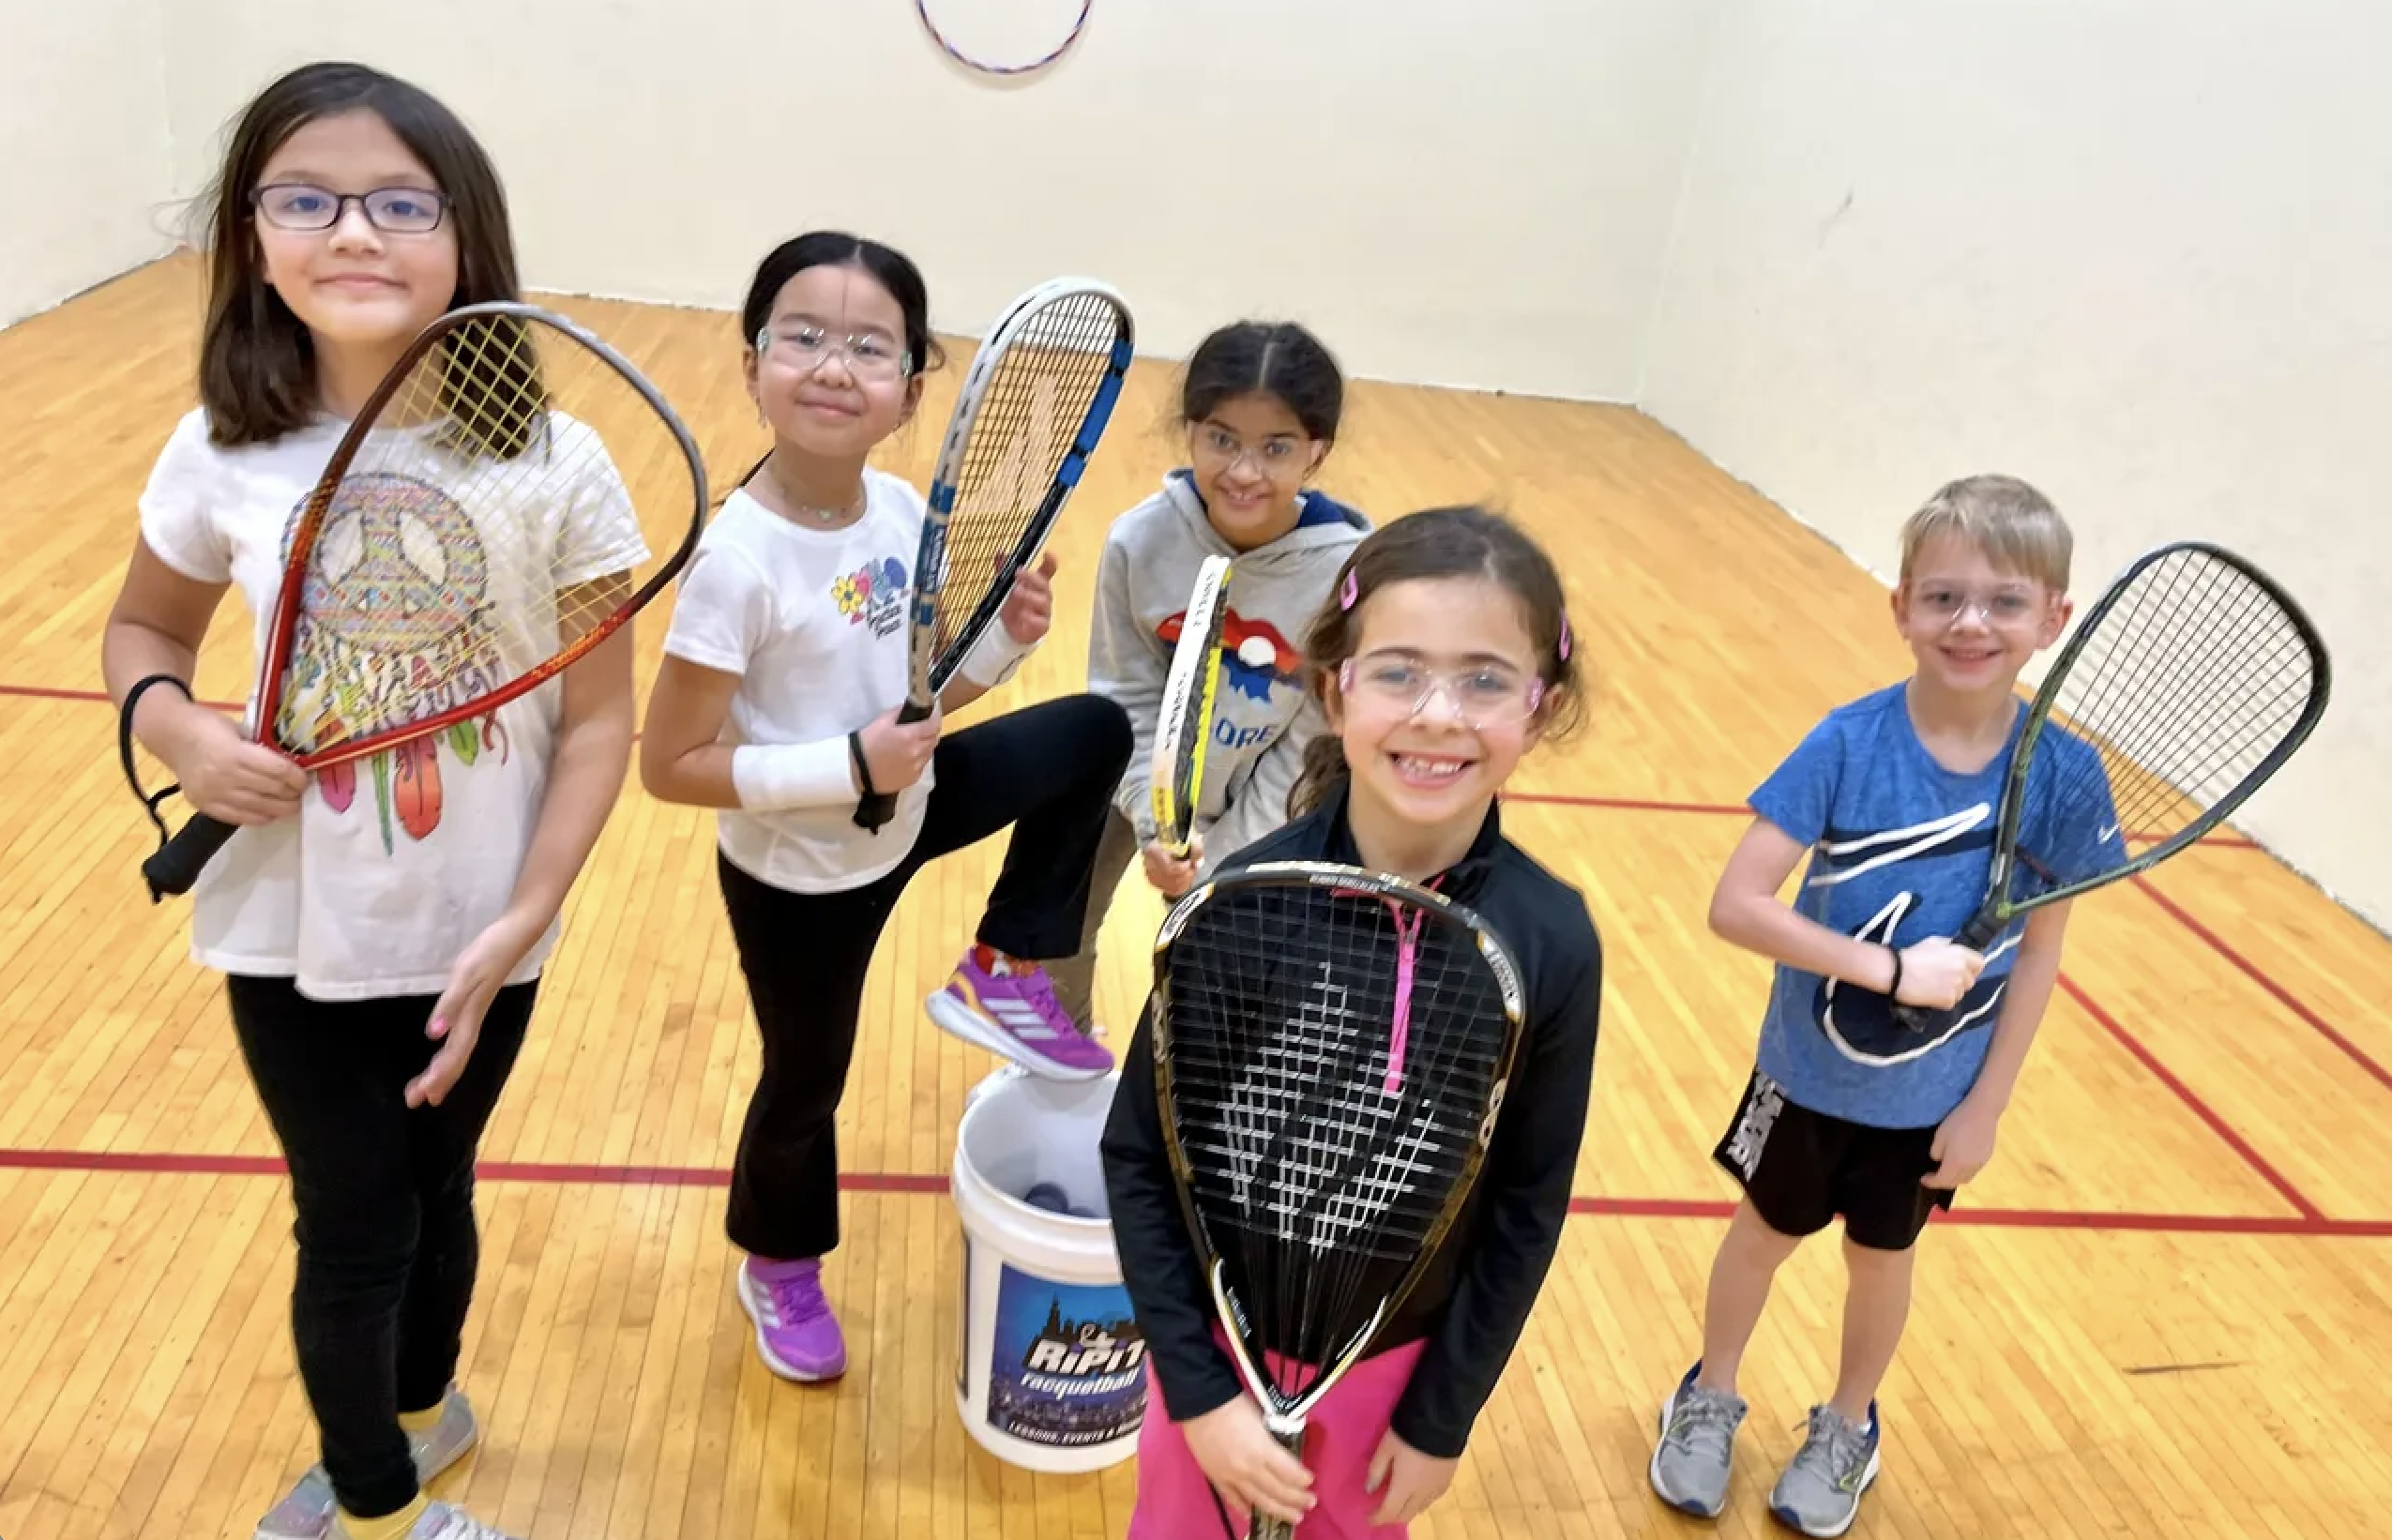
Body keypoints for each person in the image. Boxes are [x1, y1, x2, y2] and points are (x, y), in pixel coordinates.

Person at [100, 61, 646, 1540]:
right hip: (286, 929)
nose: (354, 231)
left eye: (400, 202)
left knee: (439, 1189)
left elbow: (600, 714)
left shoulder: (558, 459)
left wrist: (526, 913)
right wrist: (173, 723)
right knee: (352, 1225)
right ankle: (379, 1510)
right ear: (253, 233)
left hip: (484, 927)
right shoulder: (221, 447)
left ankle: (424, 1407)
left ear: (466, 236)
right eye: (308, 199)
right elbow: (142, 634)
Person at [638, 231, 1131, 1384]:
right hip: (797, 874)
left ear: (911, 393)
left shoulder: (905, 514)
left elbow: (919, 699)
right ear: (752, 360)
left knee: (1093, 731)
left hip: (900, 800)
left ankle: (1006, 965)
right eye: (802, 336)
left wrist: (1000, 648)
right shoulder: (736, 563)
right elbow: (673, 765)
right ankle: (779, 1259)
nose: (832, 365)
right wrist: (846, 770)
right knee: (806, 1086)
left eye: (870, 347)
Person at [1099, 506, 1603, 1537]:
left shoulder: (1552, 941)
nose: (1438, 714)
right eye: (1398, 671)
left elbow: (1523, 1207)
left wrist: (1441, 1419)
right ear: (1335, 689)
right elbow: (1139, 1160)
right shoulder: (1240, 902)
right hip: (1214, 1362)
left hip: (1388, 1385)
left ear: (1540, 705)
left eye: (1485, 679)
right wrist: (1197, 1396)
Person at [1646, 474, 2126, 1537]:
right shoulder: (1848, 743)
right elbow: (1736, 903)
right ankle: (1709, 1393)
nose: (1971, 623)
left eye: (2005, 601)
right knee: (1761, 1236)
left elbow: (2042, 955)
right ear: (1901, 606)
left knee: (1882, 1260)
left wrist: (1986, 1105)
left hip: (1932, 1098)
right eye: (1945, 596)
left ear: (2054, 619)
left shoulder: (2066, 780)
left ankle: (1848, 1425)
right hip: (1803, 1074)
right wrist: (1893, 974)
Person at [1046, 320, 1369, 1037]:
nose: (1244, 471)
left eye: (1275, 448)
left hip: (1267, 804)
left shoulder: (1349, 576)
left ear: (1318, 451)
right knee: (1056, 920)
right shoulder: (1140, 540)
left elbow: (1309, 747)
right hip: (1134, 780)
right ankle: (1057, 1063)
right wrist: (1154, 820)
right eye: (1222, 439)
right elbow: (1124, 693)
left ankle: (1188, 1089)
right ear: (1190, 430)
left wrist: (1217, 863)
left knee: (1225, 973)